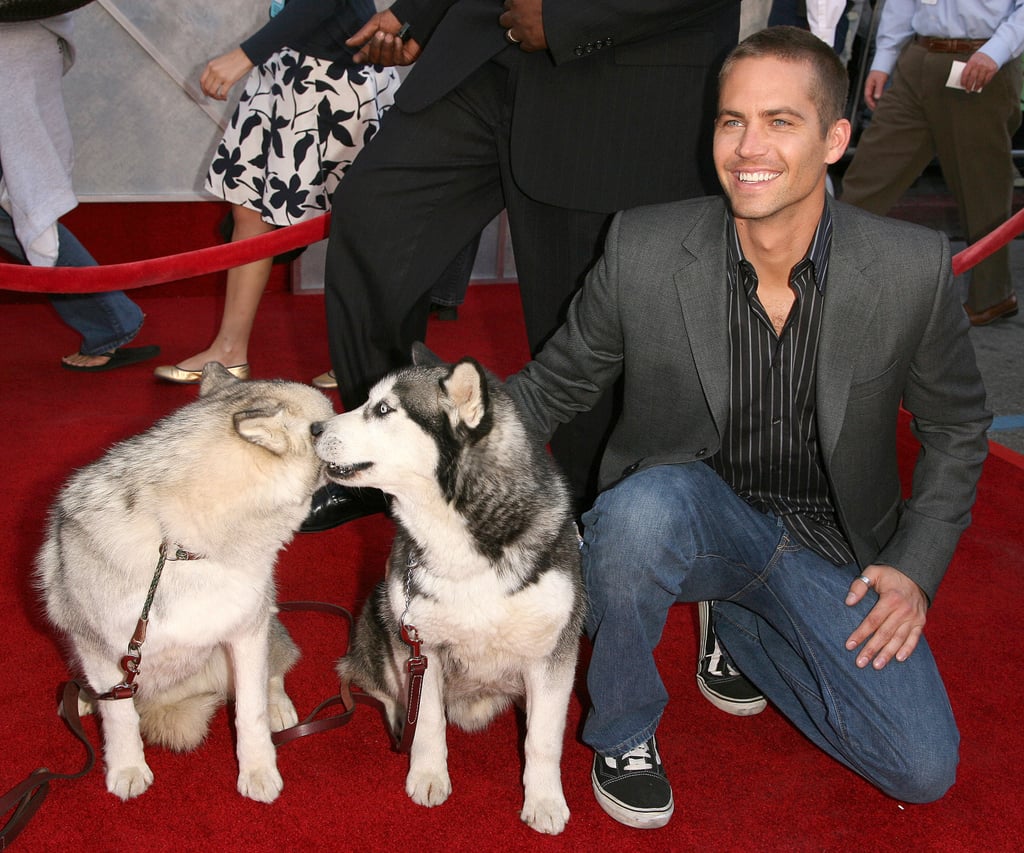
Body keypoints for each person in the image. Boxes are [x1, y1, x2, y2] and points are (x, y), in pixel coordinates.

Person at [505, 26, 990, 830]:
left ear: (835, 139)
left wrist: (914, 565)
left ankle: (737, 616)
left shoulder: (908, 269)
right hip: (688, 518)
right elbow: (553, 385)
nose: (748, 146)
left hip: (830, 549)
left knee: (921, 764)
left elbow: (958, 423)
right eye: (732, 121)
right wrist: (443, 453)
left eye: (779, 121)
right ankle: (624, 727)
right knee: (638, 512)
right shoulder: (646, 247)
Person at [302, 0, 742, 529]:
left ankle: (594, 521)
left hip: (616, 73)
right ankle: (385, 454)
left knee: (582, 314)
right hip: (484, 46)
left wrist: (569, 17)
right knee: (374, 217)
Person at [154, 0, 401, 385]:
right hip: (285, 68)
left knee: (360, 217)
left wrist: (245, 54)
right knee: (249, 210)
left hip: (332, 75)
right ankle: (229, 350)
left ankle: (366, 356)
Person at [840, 0, 1024, 326]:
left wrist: (996, 51)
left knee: (982, 189)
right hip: (917, 59)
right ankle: (828, 280)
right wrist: (884, 59)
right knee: (870, 173)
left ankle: (992, 297)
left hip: (981, 61)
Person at [0, 13, 158, 372]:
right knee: (18, 208)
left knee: (22, 207)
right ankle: (110, 321)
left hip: (11, 39)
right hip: (21, 39)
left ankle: (110, 322)